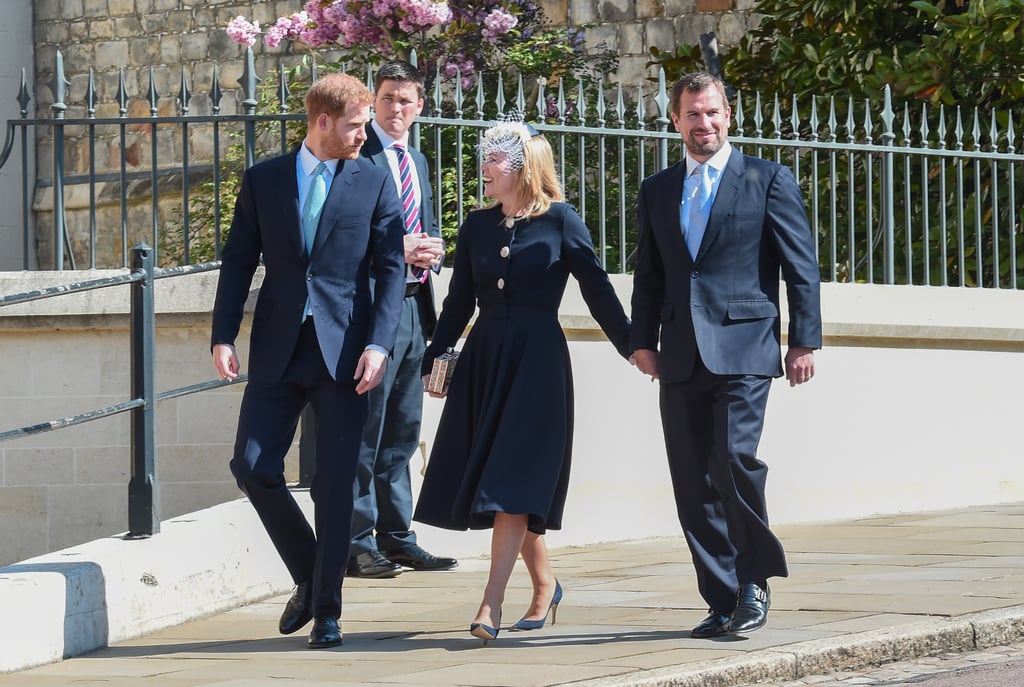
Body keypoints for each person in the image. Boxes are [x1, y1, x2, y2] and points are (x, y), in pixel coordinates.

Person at [413, 115, 632, 643]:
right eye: (485, 158)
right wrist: (434, 356)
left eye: (493, 160)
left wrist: (634, 346)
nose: (483, 168)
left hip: (536, 364)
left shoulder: (560, 219)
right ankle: (545, 584)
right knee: (500, 480)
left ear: (522, 167)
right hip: (487, 359)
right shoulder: (475, 225)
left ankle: (489, 605)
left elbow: (597, 287)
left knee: (509, 484)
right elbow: (459, 301)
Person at [210, 73, 407, 649]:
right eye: (355, 123)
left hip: (347, 355)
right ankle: (311, 570)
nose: (364, 132)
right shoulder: (265, 179)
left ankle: (326, 612)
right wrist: (223, 335)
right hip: (278, 348)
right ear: (322, 122)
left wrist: (379, 343)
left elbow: (391, 268)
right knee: (252, 466)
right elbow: (238, 261)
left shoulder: (373, 179)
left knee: (335, 485)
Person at [630, 71, 822, 639]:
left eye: (712, 113)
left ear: (728, 116)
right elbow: (650, 274)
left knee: (733, 462)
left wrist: (803, 341)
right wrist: (642, 340)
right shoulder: (658, 189)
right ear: (675, 121)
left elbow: (800, 267)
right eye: (692, 114)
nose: (703, 123)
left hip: (744, 347)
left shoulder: (766, 179)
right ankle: (720, 597)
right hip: (680, 354)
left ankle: (755, 580)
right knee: (691, 479)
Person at [347, 60, 458, 579]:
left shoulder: (416, 159)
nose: (396, 109)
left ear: (420, 107)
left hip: (416, 305)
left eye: (406, 100)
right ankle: (355, 540)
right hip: (372, 310)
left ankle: (397, 537)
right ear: (374, 100)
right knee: (364, 429)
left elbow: (423, 224)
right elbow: (340, 239)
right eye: (388, 98)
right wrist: (398, 247)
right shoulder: (356, 155)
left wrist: (431, 250)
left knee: (403, 430)